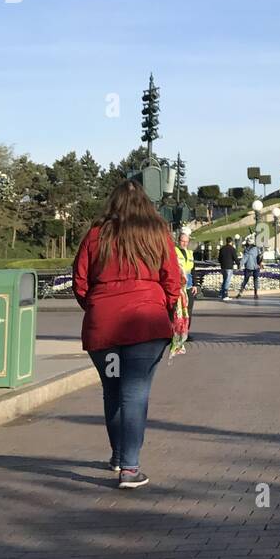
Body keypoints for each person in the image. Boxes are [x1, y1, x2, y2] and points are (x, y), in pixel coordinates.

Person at [72, 180, 183, 489]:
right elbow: (172, 279)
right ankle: (130, 468)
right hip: (146, 324)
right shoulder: (157, 233)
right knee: (134, 393)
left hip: (104, 326)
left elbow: (80, 281)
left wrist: (96, 307)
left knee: (112, 390)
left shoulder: (96, 235)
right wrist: (169, 309)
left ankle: (119, 455)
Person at [175, 230, 197, 326]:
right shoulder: (174, 251)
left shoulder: (190, 253)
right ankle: (177, 331)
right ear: (178, 241)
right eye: (182, 241)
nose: (184, 243)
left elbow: (193, 270)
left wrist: (195, 284)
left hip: (189, 285)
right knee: (179, 309)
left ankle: (186, 331)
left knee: (189, 308)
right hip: (179, 285)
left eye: (186, 242)